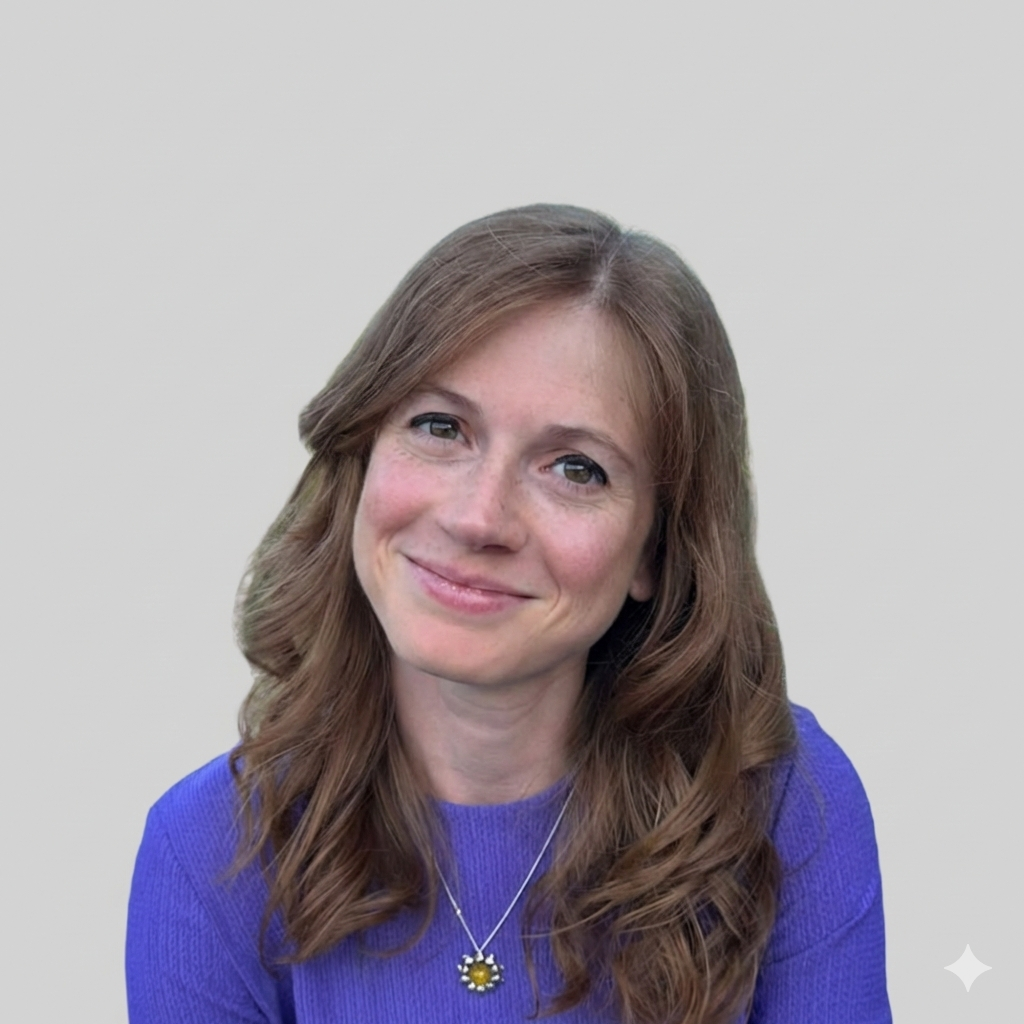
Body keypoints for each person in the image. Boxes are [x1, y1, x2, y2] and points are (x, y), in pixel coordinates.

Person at [125, 204, 891, 1023]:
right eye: (440, 426)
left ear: (656, 552)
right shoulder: (206, 853)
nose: (478, 518)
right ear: (363, 452)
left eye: (575, 468)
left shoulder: (779, 799)